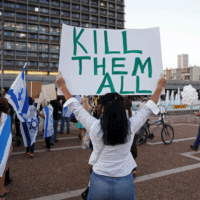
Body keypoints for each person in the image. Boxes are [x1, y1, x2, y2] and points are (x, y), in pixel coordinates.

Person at [56, 71, 167, 200]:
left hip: (99, 180)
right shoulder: (130, 126)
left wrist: (62, 86)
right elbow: (147, 108)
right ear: (121, 108)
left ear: (103, 109)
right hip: (124, 179)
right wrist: (160, 87)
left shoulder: (95, 126)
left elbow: (76, 108)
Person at [0, 97, 12, 200]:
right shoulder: (7, 117)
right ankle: (1, 191)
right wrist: (10, 148)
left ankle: (2, 190)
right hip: (2, 148)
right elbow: (8, 134)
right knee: (2, 169)